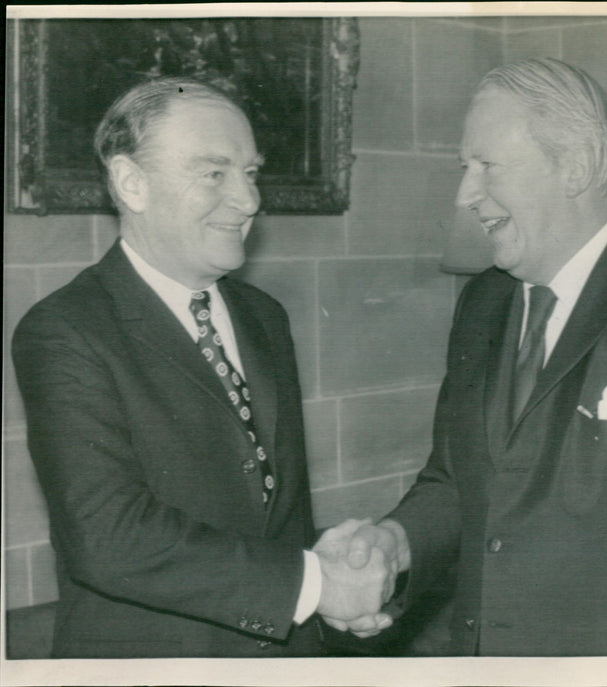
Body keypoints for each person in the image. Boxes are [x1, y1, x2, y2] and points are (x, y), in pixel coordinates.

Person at [334, 58, 607, 656]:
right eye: (464, 169)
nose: (465, 195)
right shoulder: (482, 303)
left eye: (487, 166)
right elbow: (458, 481)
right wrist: (395, 542)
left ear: (576, 167)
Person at [11, 77, 390, 658]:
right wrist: (316, 587)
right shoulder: (66, 330)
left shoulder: (264, 316)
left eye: (251, 173)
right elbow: (110, 537)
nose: (250, 200)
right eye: (215, 173)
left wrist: (328, 597)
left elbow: (275, 513)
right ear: (132, 183)